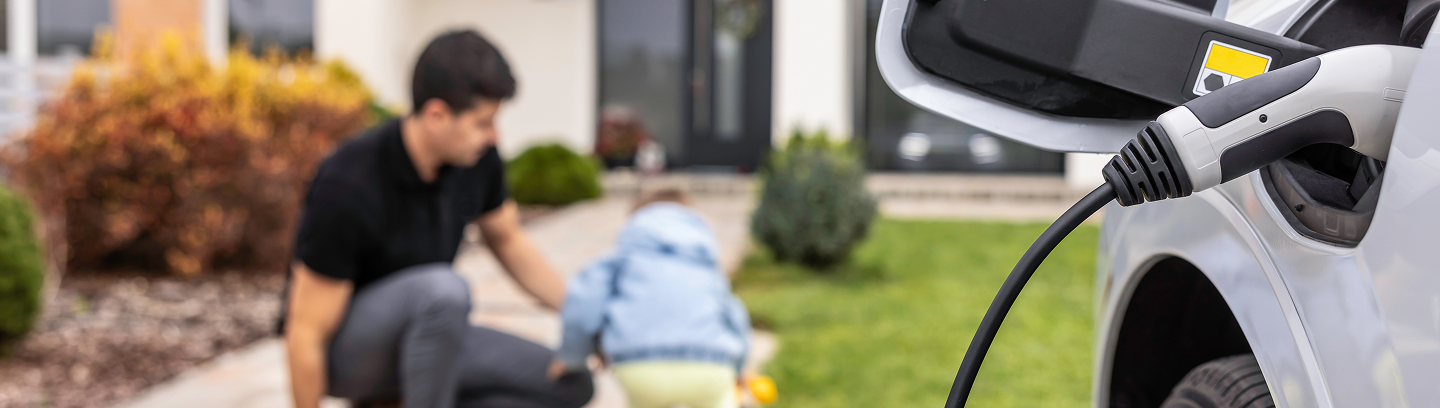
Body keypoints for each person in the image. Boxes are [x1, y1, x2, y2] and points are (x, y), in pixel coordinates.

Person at [283, 30, 593, 408]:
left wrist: (584, 316)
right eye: (483, 122)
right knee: (443, 292)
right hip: (350, 357)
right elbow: (306, 334)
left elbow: (508, 240)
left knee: (570, 383)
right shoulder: (349, 181)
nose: (494, 136)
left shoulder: (476, 158)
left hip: (431, 337)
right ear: (436, 115)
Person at [549, 188, 752, 408]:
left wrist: (571, 357)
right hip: (710, 363)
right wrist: (741, 368)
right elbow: (734, 316)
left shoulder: (623, 258)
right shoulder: (704, 265)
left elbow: (583, 306)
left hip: (639, 365)